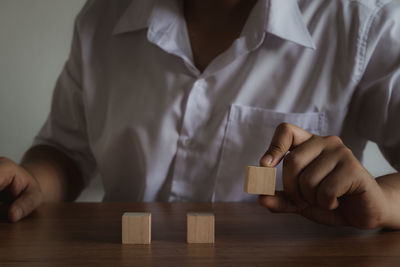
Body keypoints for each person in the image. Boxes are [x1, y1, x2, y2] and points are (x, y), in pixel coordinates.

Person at [1, 0, 399, 229]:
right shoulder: (101, 16)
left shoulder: (366, 21)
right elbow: (65, 152)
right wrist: (33, 180)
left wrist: (383, 200)